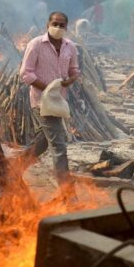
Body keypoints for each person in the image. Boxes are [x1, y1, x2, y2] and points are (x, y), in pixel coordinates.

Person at [19, 12, 80, 186]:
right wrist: (47, 88)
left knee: (43, 141)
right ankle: (66, 190)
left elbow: (75, 71)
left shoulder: (70, 47)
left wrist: (69, 80)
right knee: (58, 144)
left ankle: (13, 169)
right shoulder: (36, 44)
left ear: (66, 27)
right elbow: (26, 73)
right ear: (48, 25)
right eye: (55, 24)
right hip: (41, 102)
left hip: (58, 102)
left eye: (62, 25)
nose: (58, 27)